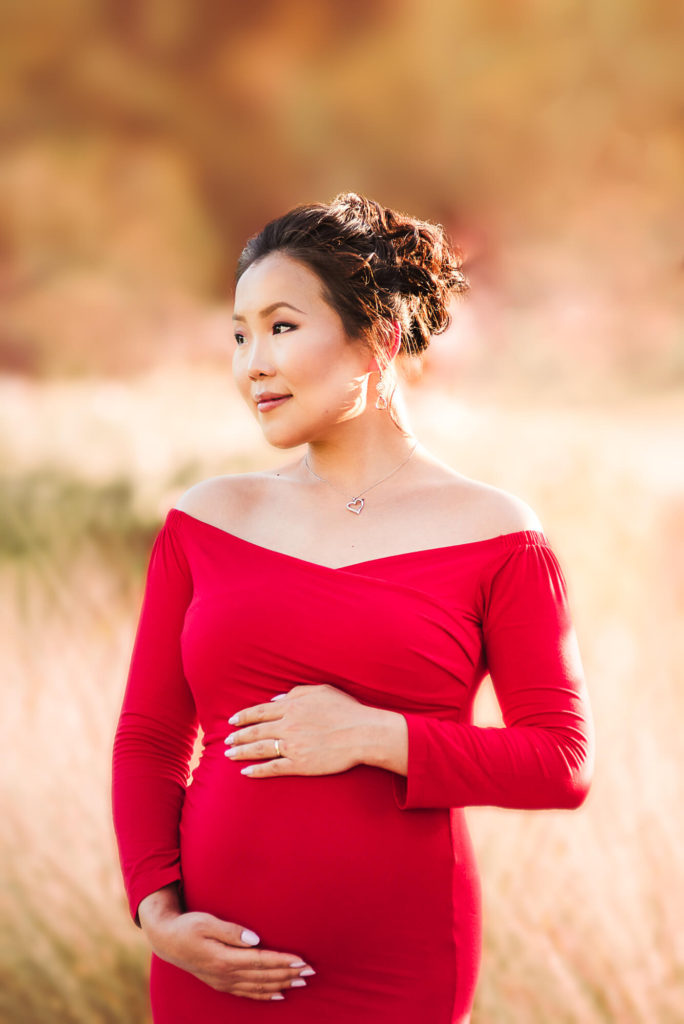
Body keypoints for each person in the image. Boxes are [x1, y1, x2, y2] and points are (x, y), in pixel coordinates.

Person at [111, 192, 594, 1024]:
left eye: (282, 327)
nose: (251, 362)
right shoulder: (205, 521)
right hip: (214, 961)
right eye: (238, 334)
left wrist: (377, 736)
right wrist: (157, 912)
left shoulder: (498, 534)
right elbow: (151, 737)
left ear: (379, 337)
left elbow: (560, 761)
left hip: (398, 966)